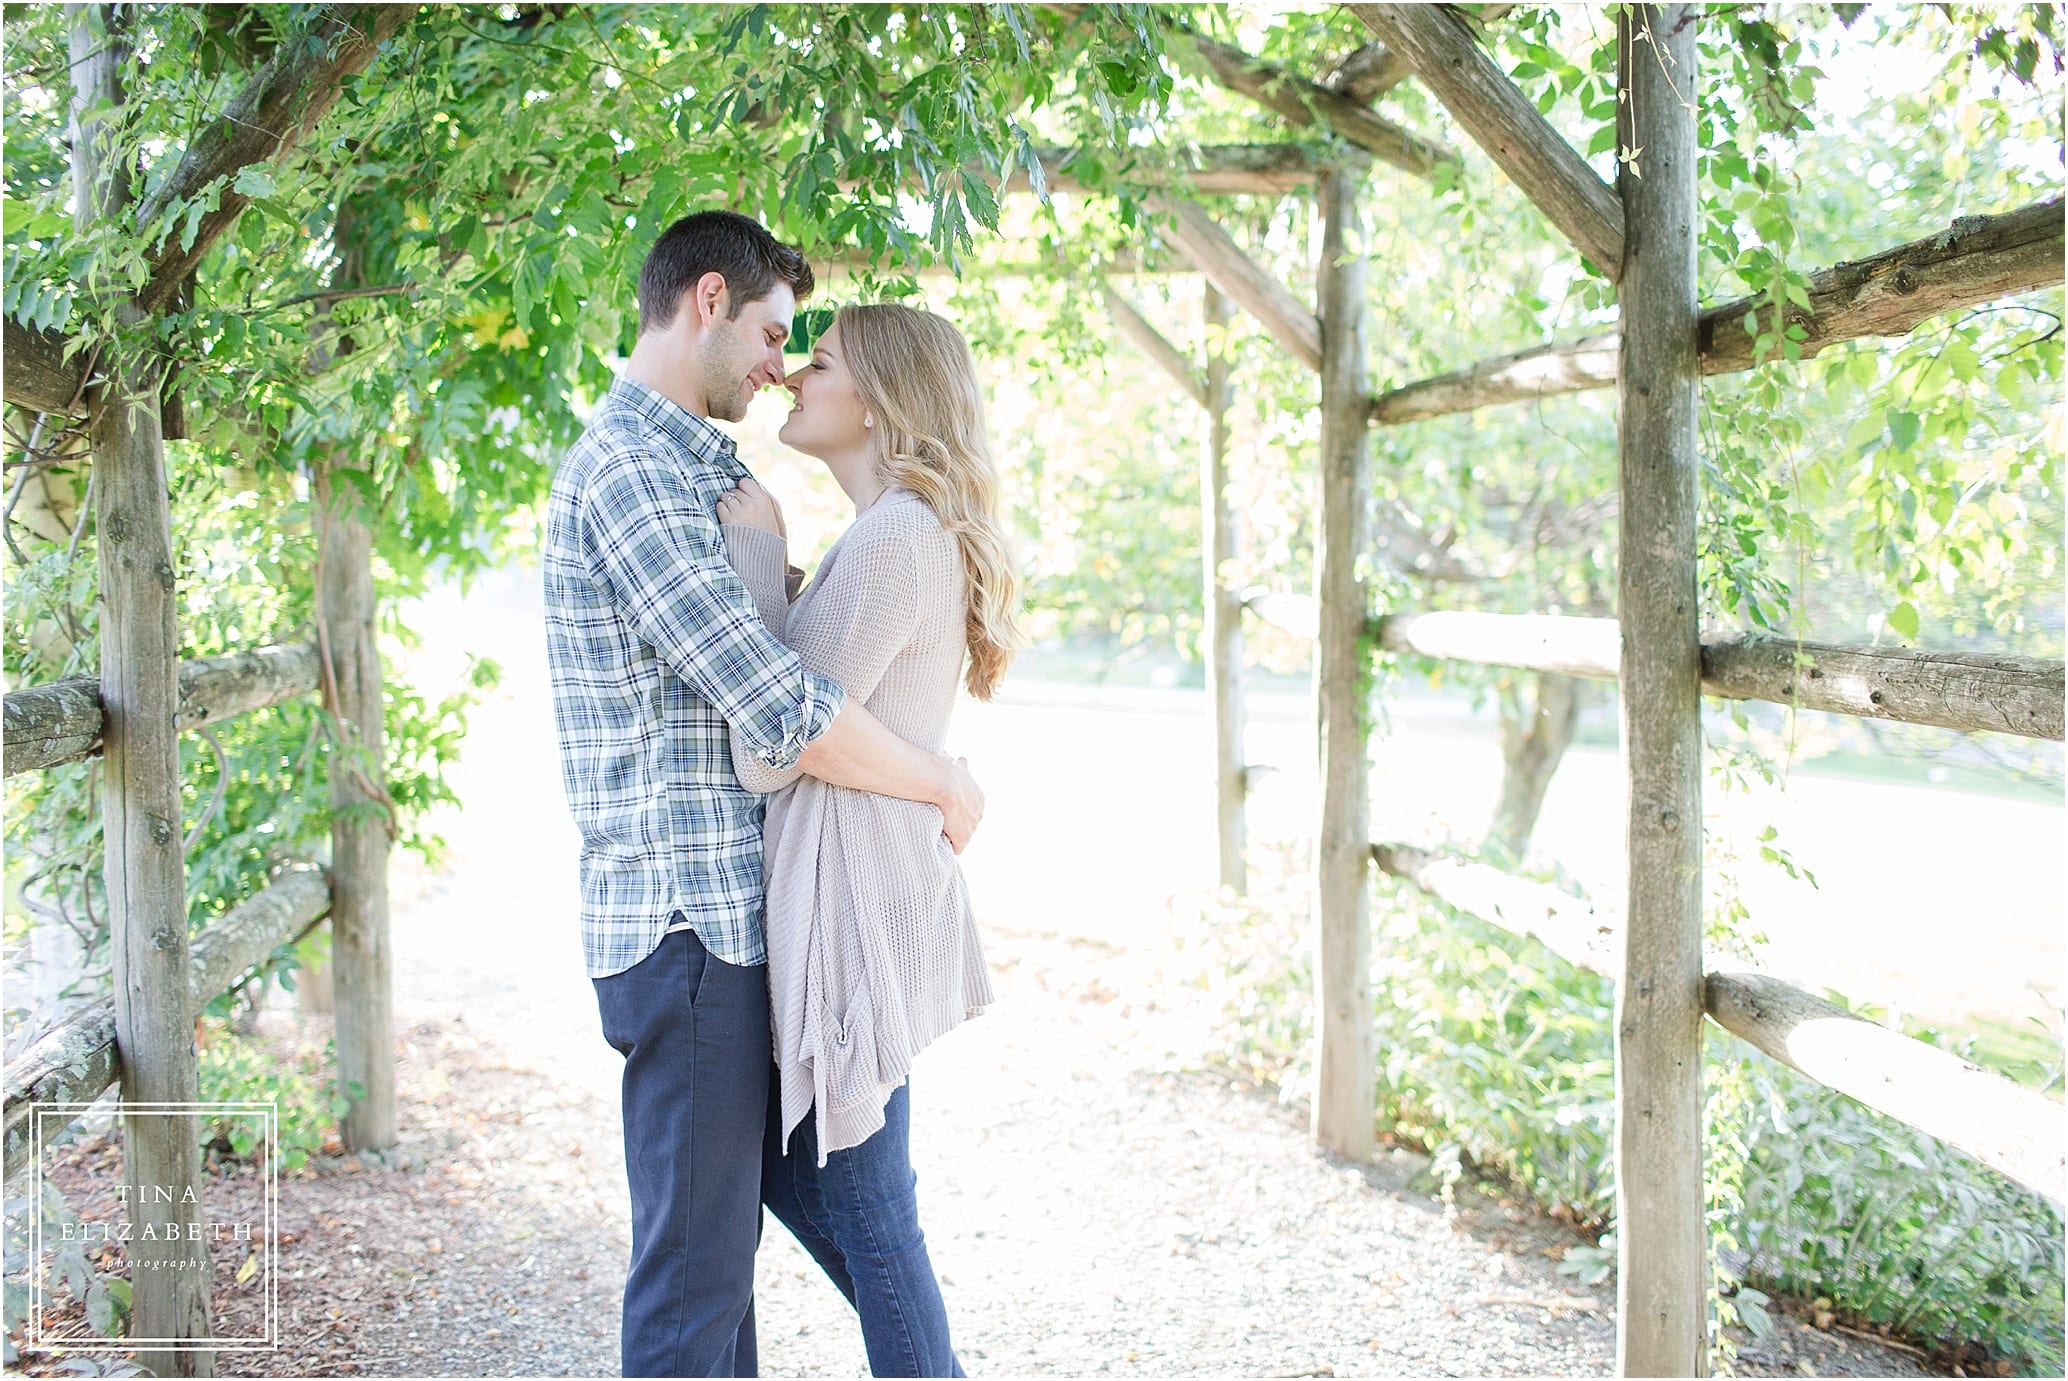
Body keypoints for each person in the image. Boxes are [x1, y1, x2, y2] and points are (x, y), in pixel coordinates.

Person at [541, 212, 985, 1379]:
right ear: (705, 301)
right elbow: (778, 710)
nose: (781, 363)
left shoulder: (705, 469)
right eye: (776, 333)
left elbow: (804, 659)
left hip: (736, 926)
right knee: (694, 1284)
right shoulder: (635, 475)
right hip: (684, 924)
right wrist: (939, 780)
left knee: (723, 1270)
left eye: (806, 348)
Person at [713, 304, 1017, 1378]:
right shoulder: (898, 529)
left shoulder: (896, 535)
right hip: (866, 879)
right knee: (814, 1182)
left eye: (822, 360)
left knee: (870, 1206)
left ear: (881, 398)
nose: (794, 374)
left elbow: (770, 741)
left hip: (853, 892)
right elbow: (827, 694)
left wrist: (756, 557)